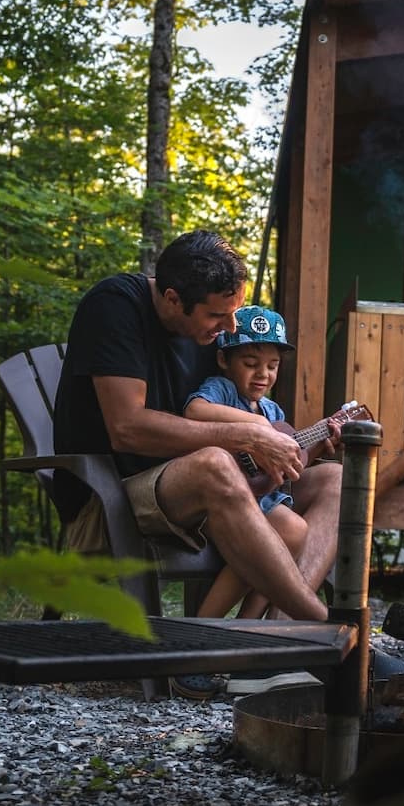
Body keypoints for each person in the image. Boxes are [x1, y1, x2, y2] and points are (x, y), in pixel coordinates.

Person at [51, 230, 339, 637]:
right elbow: (127, 429)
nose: (229, 326)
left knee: (334, 479)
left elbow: (236, 407)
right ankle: (325, 626)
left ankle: (274, 642)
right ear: (172, 299)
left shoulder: (206, 330)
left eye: (234, 312)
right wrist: (249, 439)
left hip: (197, 493)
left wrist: (295, 444)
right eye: (218, 316)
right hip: (110, 498)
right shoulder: (115, 307)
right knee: (213, 464)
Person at [182, 305, 323, 620]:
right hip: (222, 504)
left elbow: (284, 471)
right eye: (250, 363)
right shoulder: (222, 389)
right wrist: (255, 428)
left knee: (293, 530)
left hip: (263, 501)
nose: (263, 374)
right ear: (223, 360)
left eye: (273, 366)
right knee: (290, 529)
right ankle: (205, 624)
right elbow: (195, 411)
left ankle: (248, 626)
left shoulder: (273, 411)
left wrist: (316, 445)